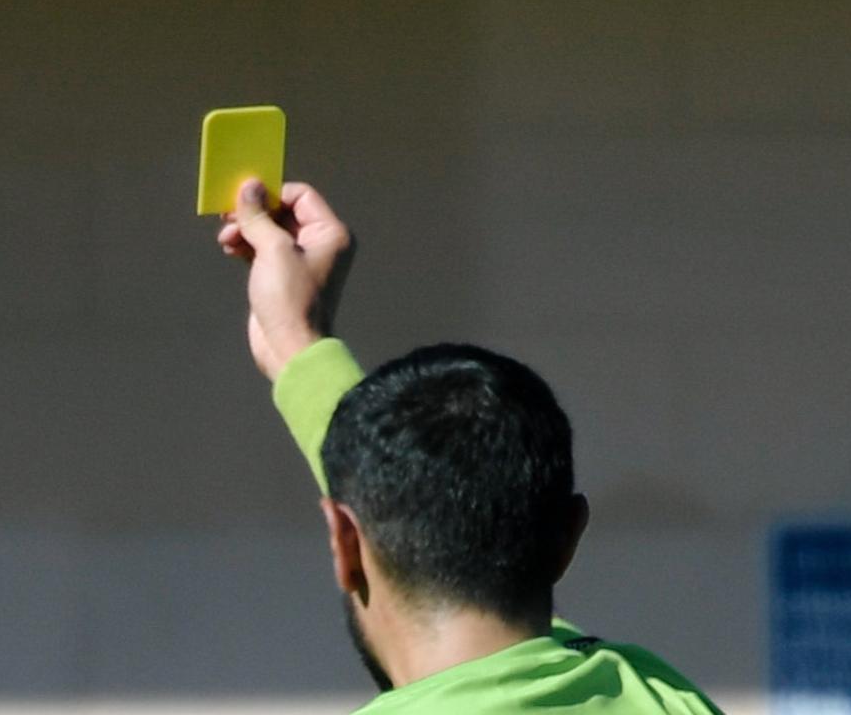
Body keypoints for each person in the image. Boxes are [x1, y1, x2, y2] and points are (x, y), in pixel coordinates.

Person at [218, 179, 722, 714]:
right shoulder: (662, 696)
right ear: (569, 534)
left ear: (345, 543)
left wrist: (298, 341)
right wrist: (298, 346)